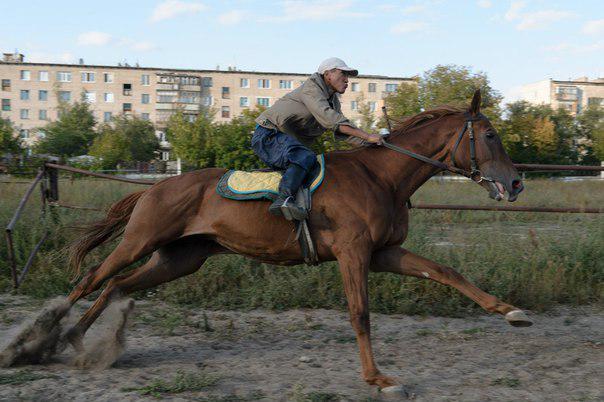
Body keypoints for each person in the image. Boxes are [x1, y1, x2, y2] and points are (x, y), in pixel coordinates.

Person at [252, 57, 383, 221]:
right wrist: (368, 136)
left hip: (284, 140)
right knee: (305, 157)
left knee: (314, 163)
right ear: (328, 74)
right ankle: (283, 199)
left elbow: (342, 130)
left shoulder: (332, 100)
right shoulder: (311, 89)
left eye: (348, 76)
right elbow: (331, 120)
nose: (347, 80)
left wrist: (373, 144)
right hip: (268, 135)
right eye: (343, 74)